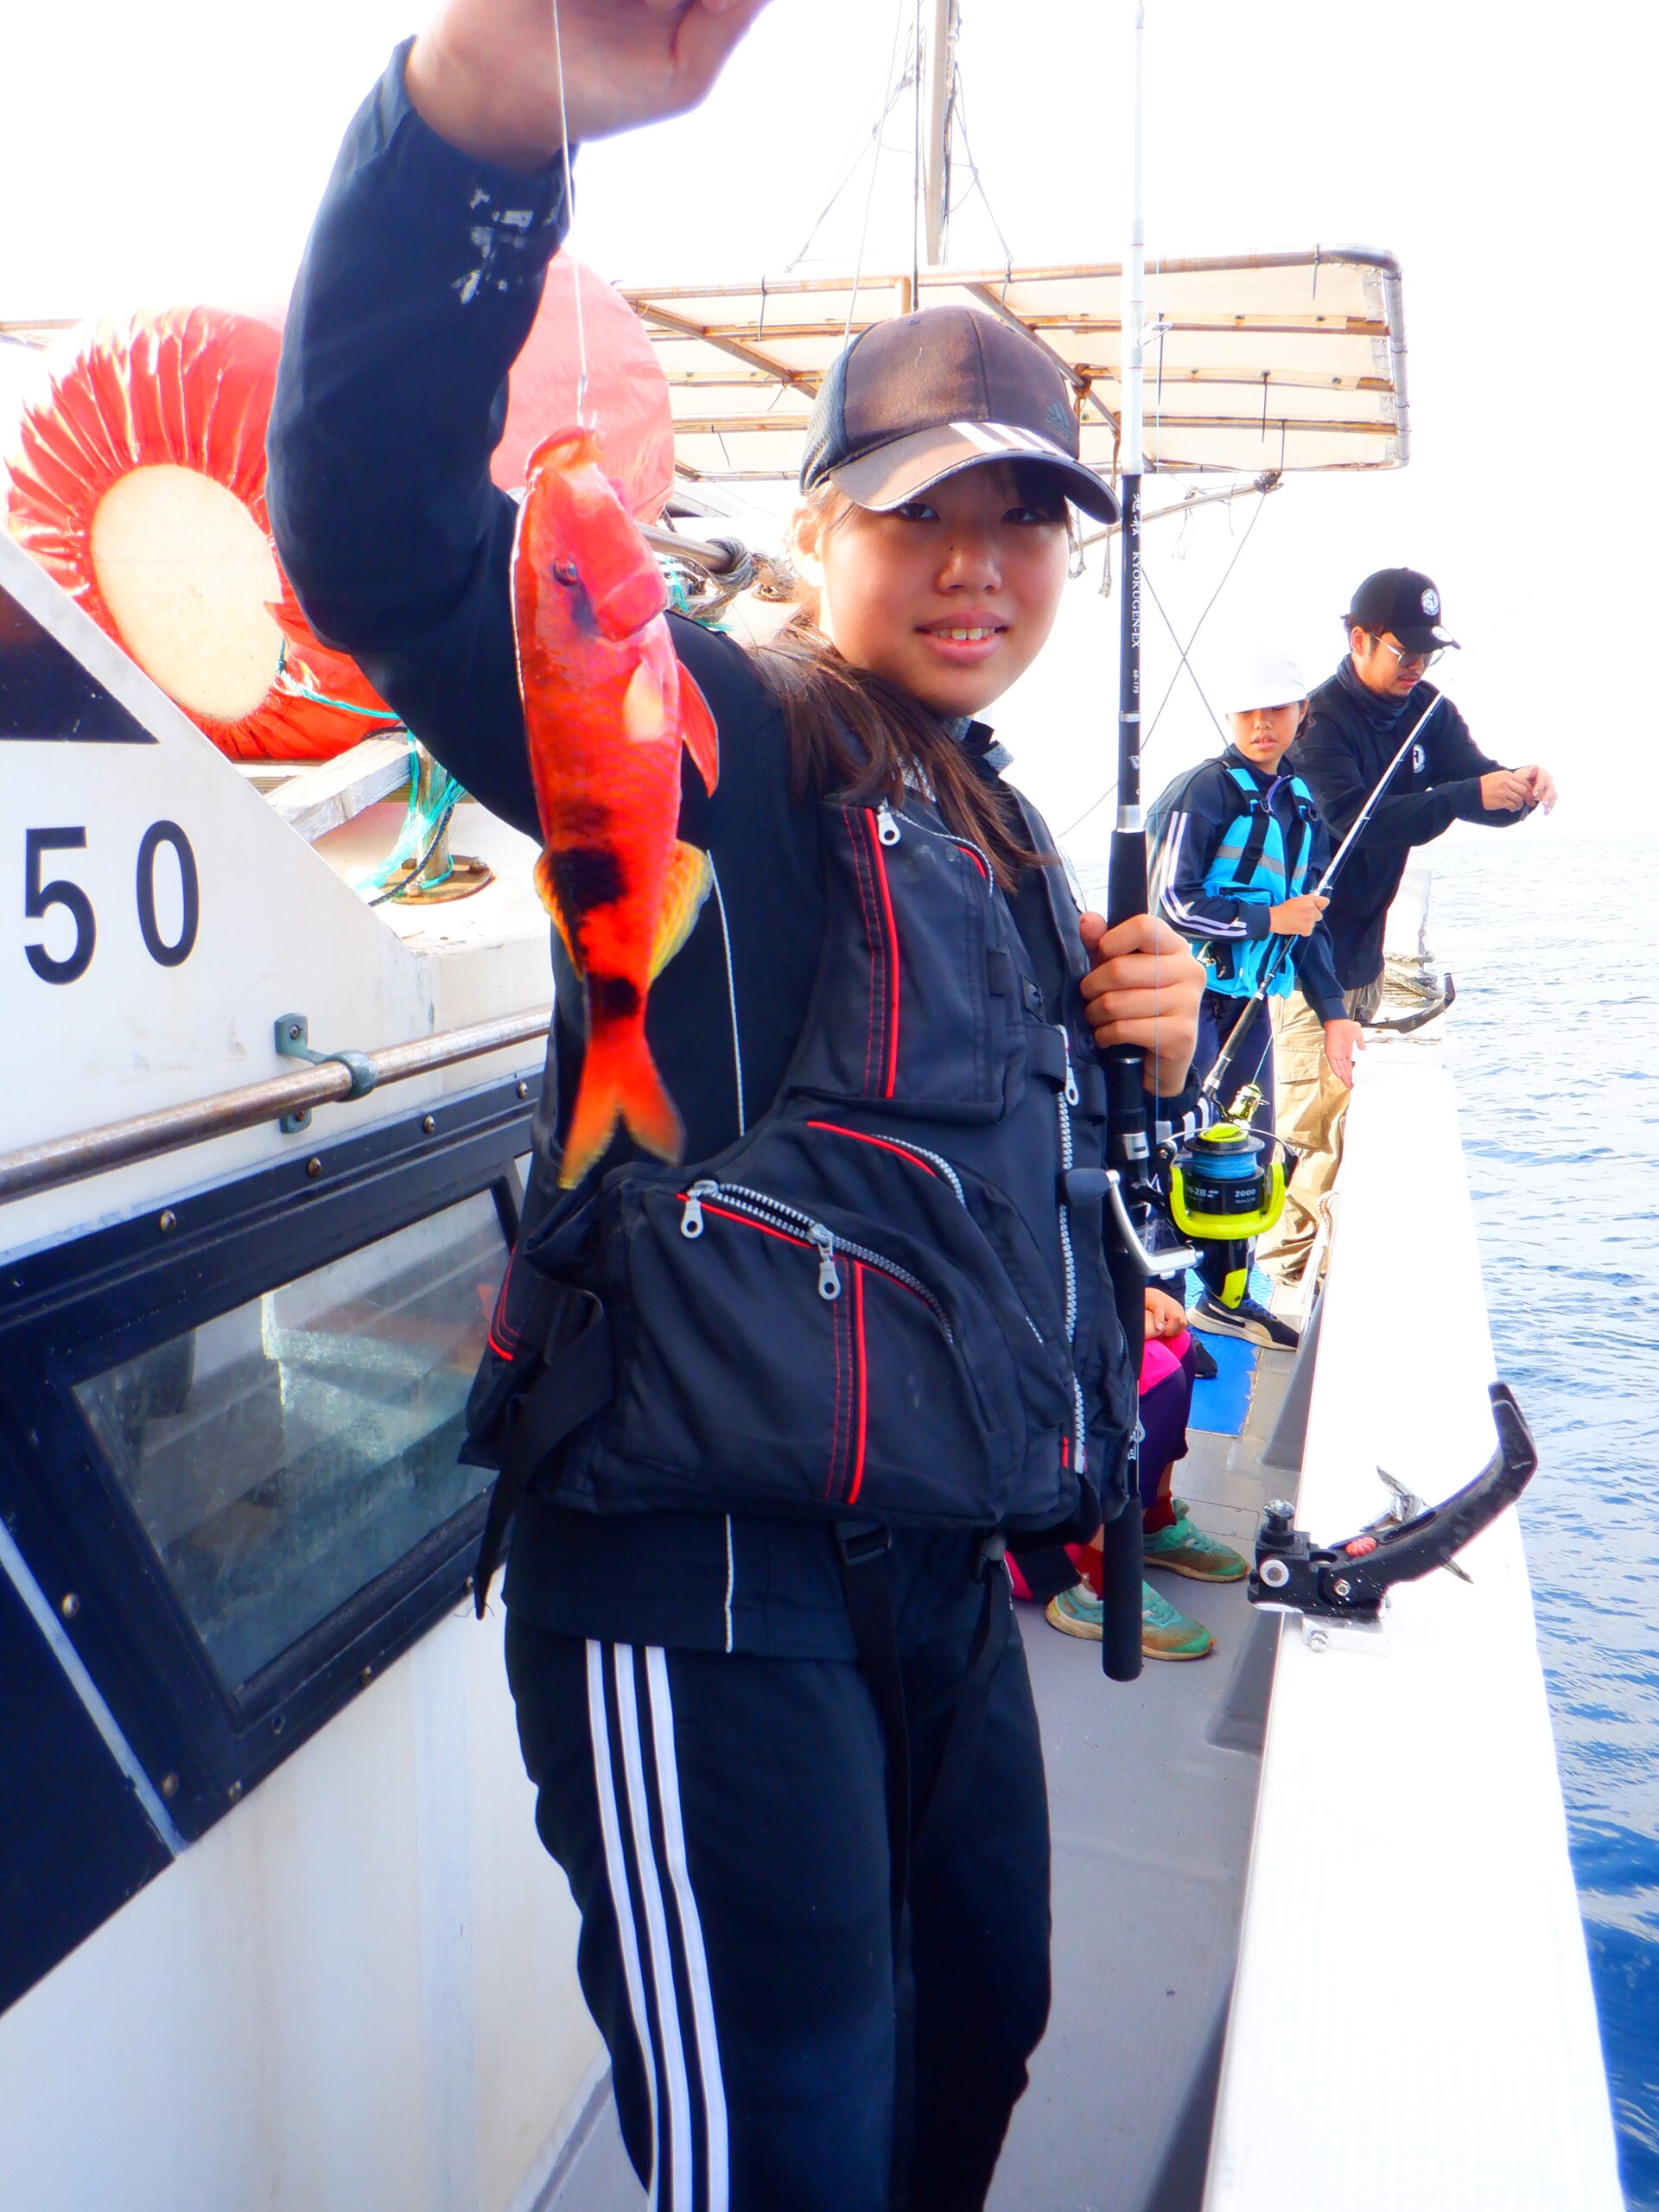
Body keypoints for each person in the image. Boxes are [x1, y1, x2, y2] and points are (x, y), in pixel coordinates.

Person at [267, 8, 1206, 2208]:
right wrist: (474, 125)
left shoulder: (993, 821)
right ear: (812, 531)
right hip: (703, 1571)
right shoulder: (711, 729)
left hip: (934, 1570)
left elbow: (995, 1181)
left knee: (979, 2031)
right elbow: (382, 532)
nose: (974, 564)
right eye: (917, 513)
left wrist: (1150, 1042)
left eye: (1024, 521)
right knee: (785, 2145)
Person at [1255, 568, 1557, 1287]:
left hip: (1363, 960)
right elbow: (1356, 822)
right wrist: (1461, 793)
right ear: (1359, 639)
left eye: (1428, 651)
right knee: (1306, 1128)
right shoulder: (1319, 724)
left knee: (1340, 1122)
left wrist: (1519, 787)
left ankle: (1300, 1276)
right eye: (1404, 649)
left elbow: (1473, 784)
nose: (1418, 663)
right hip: (1302, 960)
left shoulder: (1428, 712)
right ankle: (1277, 1280)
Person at [1147, 649, 1363, 1349]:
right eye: (1247, 712)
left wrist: (1334, 1015)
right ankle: (1163, 1313)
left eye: (1276, 709)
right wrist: (1272, 918)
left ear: (1302, 713)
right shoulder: (1201, 792)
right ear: (1230, 717)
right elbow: (1172, 902)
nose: (1261, 724)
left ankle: (1226, 1298)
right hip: (1183, 1001)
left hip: (1250, 1007)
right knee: (1178, 1150)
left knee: (1244, 1153)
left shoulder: (1303, 809)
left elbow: (1310, 924)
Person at [1011, 1286, 1248, 1660]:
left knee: (1177, 1345)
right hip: (1014, 1534)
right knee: (1151, 1372)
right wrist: (1106, 1330)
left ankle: (1151, 1523)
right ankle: (1097, 1584)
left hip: (1037, 1369)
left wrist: (1134, 1300)